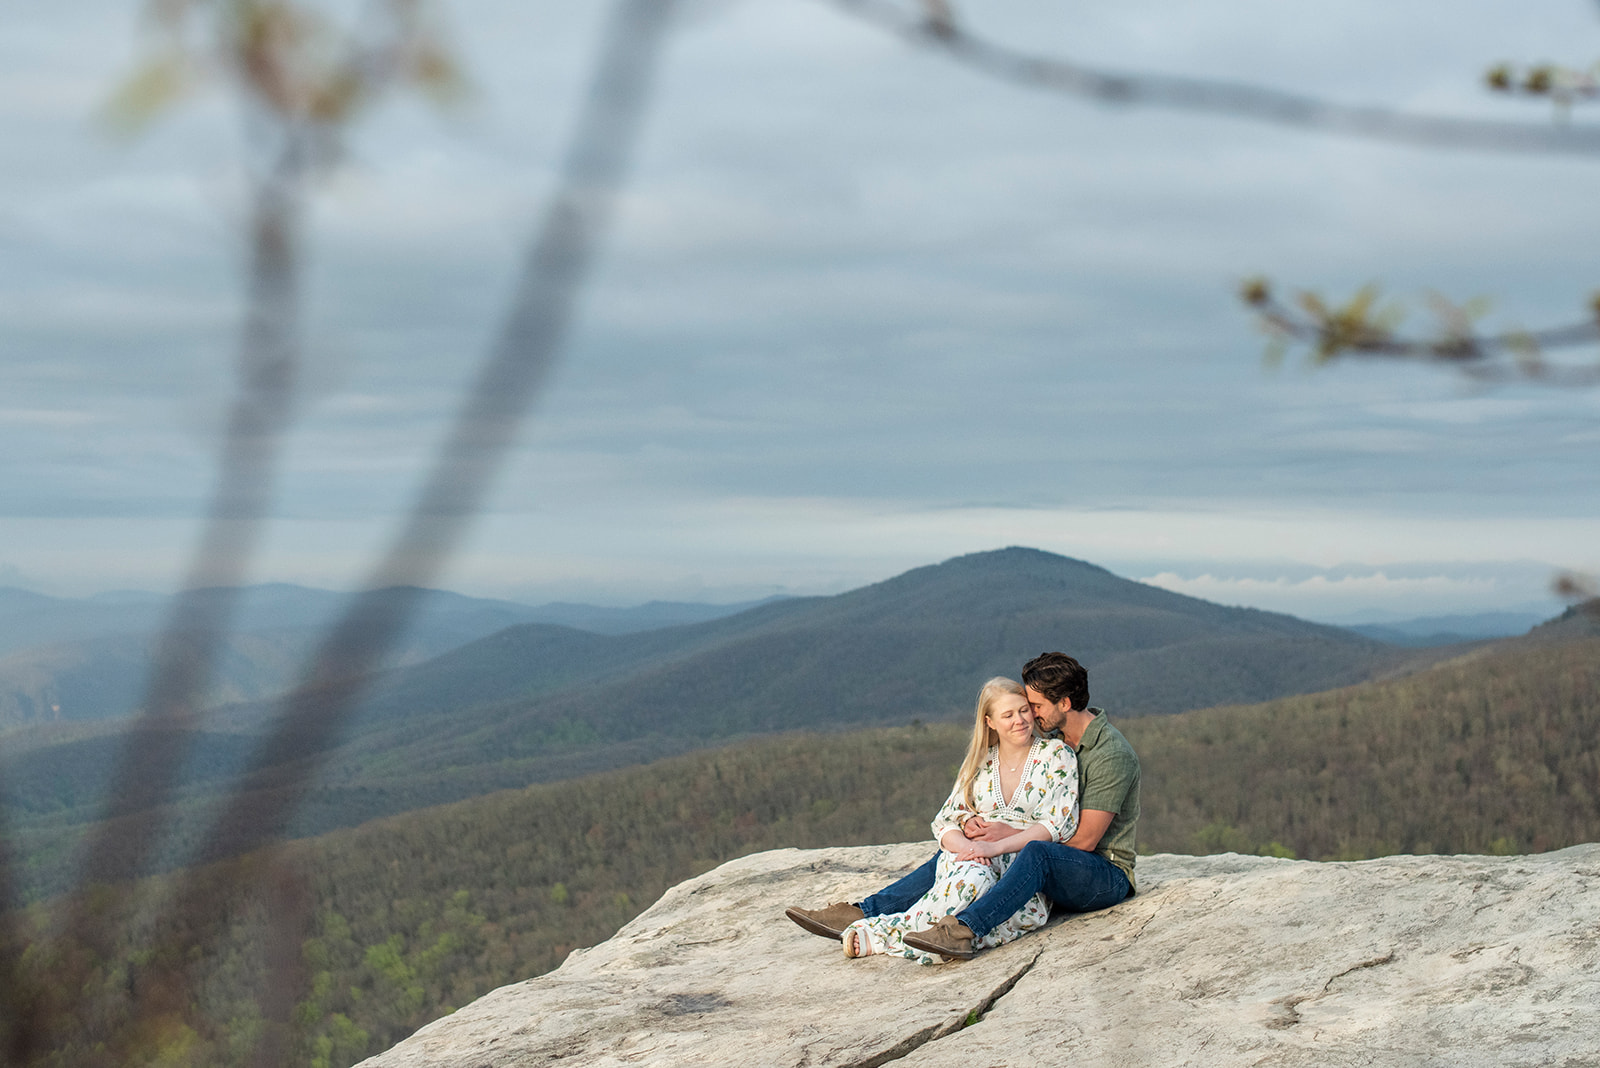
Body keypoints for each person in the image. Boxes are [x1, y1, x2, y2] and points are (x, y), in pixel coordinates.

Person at [786, 652, 1140, 961]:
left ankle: (962, 930)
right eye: (1020, 709)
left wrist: (1004, 837)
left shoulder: (1109, 754)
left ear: (1064, 703)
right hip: (1054, 864)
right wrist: (975, 838)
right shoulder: (1056, 739)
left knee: (1035, 853)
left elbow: (1083, 842)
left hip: (1101, 872)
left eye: (1034, 707)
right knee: (959, 858)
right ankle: (861, 911)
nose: (1028, 716)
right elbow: (963, 814)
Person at [831, 676, 1079, 963]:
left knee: (999, 917)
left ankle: (882, 932)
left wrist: (995, 846)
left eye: (1024, 710)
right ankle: (919, 936)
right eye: (1008, 715)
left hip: (1019, 871)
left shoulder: (1056, 755)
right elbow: (945, 821)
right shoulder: (981, 760)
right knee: (973, 876)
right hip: (971, 861)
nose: (1020, 720)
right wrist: (967, 848)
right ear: (990, 722)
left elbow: (1057, 825)